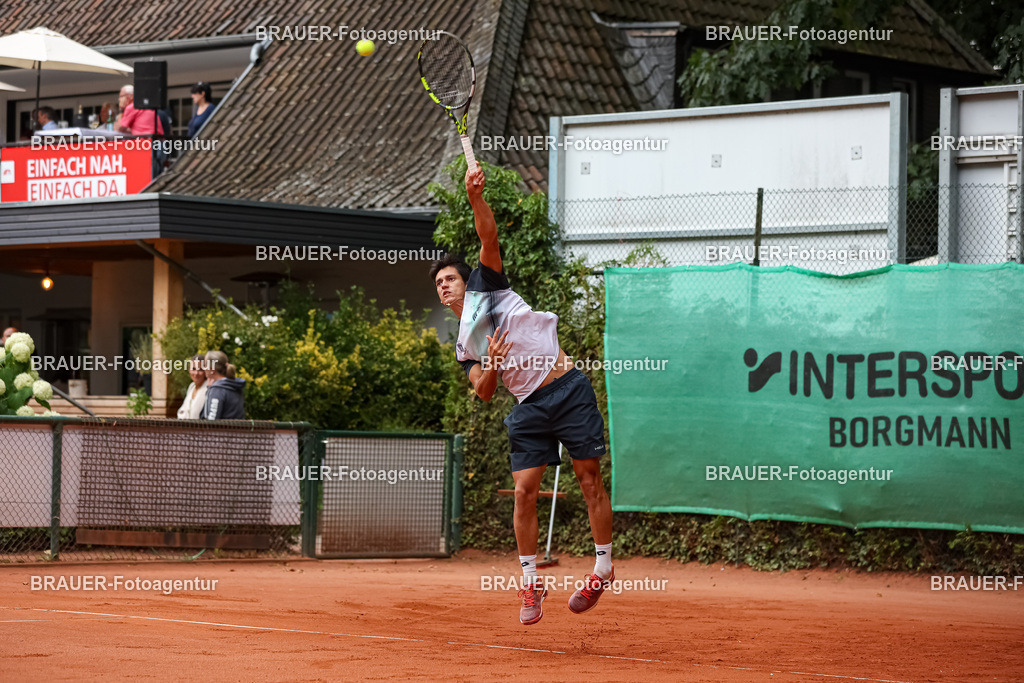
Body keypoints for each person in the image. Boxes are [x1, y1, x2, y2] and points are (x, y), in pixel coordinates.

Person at [429, 166, 613, 626]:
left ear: (467, 280)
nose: (444, 285)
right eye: (438, 283)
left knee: (589, 480)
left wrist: (475, 198)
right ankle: (531, 581)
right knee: (523, 493)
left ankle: (603, 569)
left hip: (567, 388)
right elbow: (483, 392)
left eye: (450, 278)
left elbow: (488, 236)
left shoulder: (488, 286)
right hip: (528, 408)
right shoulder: (464, 345)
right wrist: (491, 363)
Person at [200, 350, 246, 420]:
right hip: (237, 427)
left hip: (223, 428)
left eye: (205, 365)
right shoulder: (233, 385)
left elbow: (211, 421)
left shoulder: (217, 390)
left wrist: (210, 390)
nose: (204, 369)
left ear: (212, 369)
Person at [176, 355, 209, 420]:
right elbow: (183, 411)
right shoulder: (191, 386)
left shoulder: (208, 388)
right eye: (193, 369)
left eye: (200, 370)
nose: (196, 373)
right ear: (189, 370)